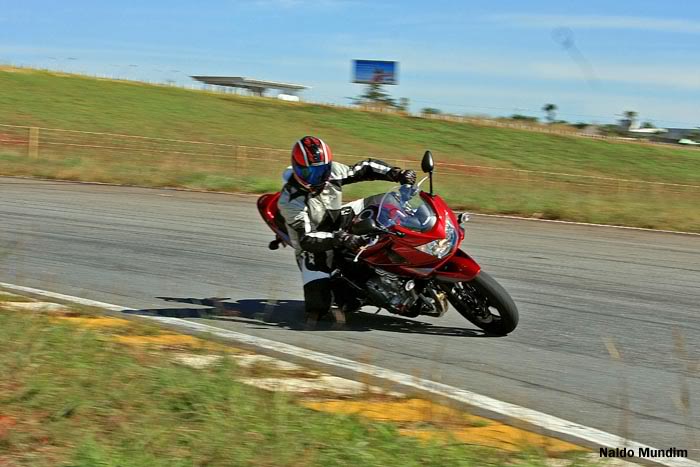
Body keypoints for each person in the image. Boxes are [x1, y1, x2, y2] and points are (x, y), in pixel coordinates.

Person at [278, 136, 416, 326]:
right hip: (315, 242)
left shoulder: (332, 172)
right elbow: (306, 238)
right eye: (310, 172)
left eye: (321, 170)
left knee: (383, 204)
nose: (317, 177)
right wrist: (340, 238)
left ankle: (411, 243)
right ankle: (348, 294)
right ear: (297, 168)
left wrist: (396, 174)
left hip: (337, 218)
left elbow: (364, 168)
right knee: (317, 309)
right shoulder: (290, 199)